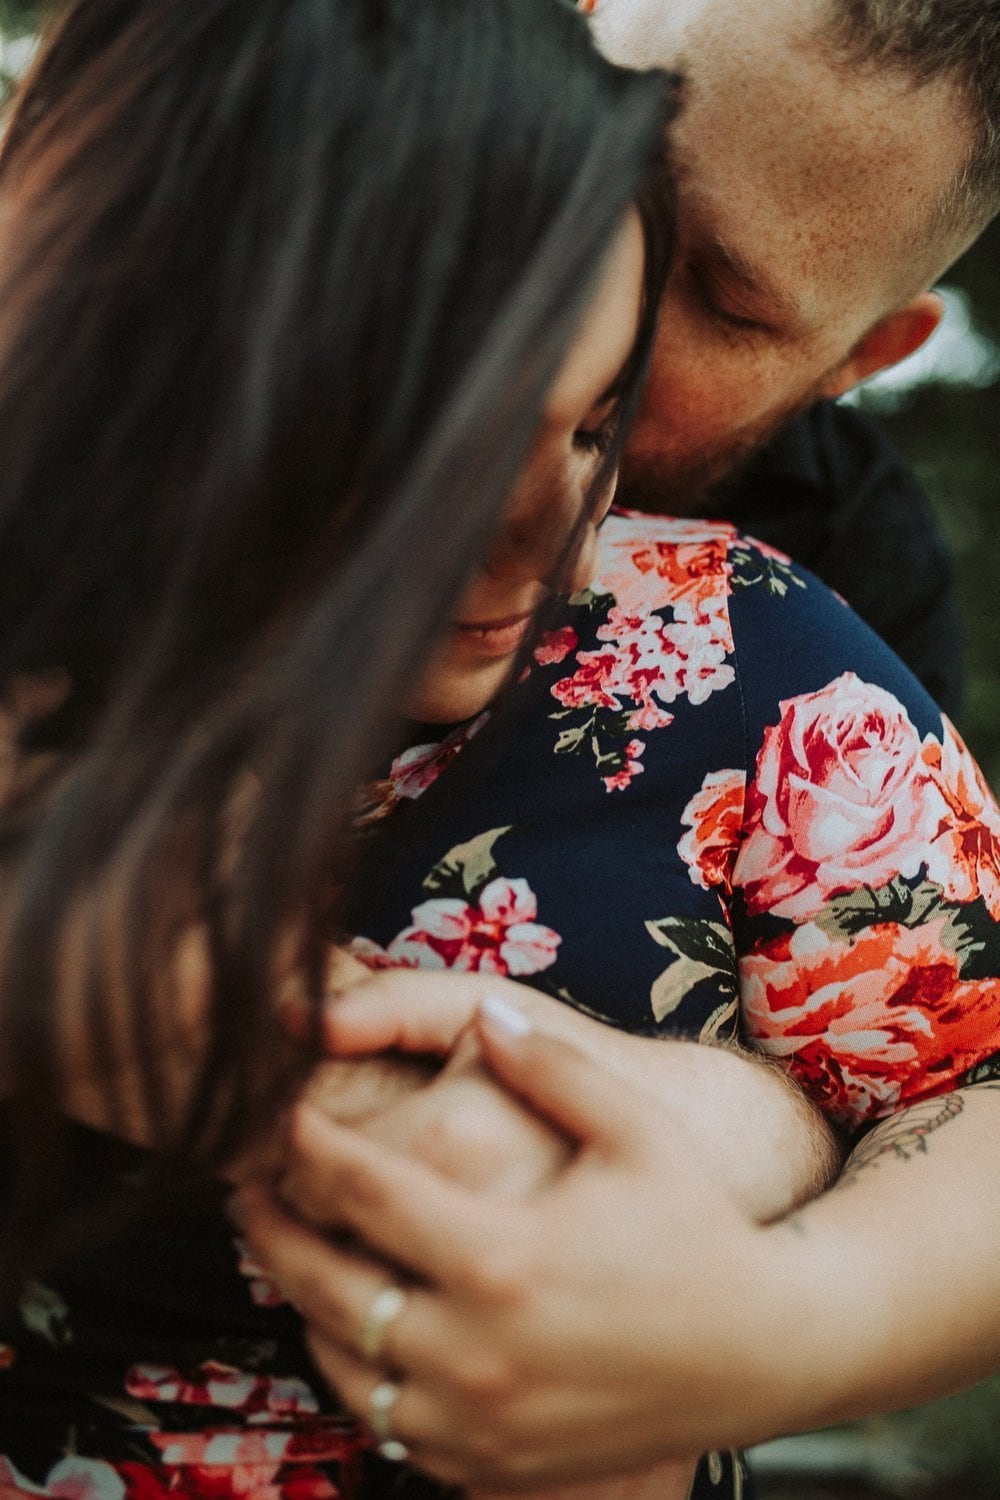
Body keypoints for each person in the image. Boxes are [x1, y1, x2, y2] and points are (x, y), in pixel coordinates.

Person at [0, 1, 695, 1495]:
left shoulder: (725, 635)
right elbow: (498, 1185)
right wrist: (761, 1128)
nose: (562, 556)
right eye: (458, 452)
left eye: (593, 428)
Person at [589, 0, 1000, 722]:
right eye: (589, 175)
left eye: (720, 303)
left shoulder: (864, 633)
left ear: (865, 352)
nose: (587, 322)